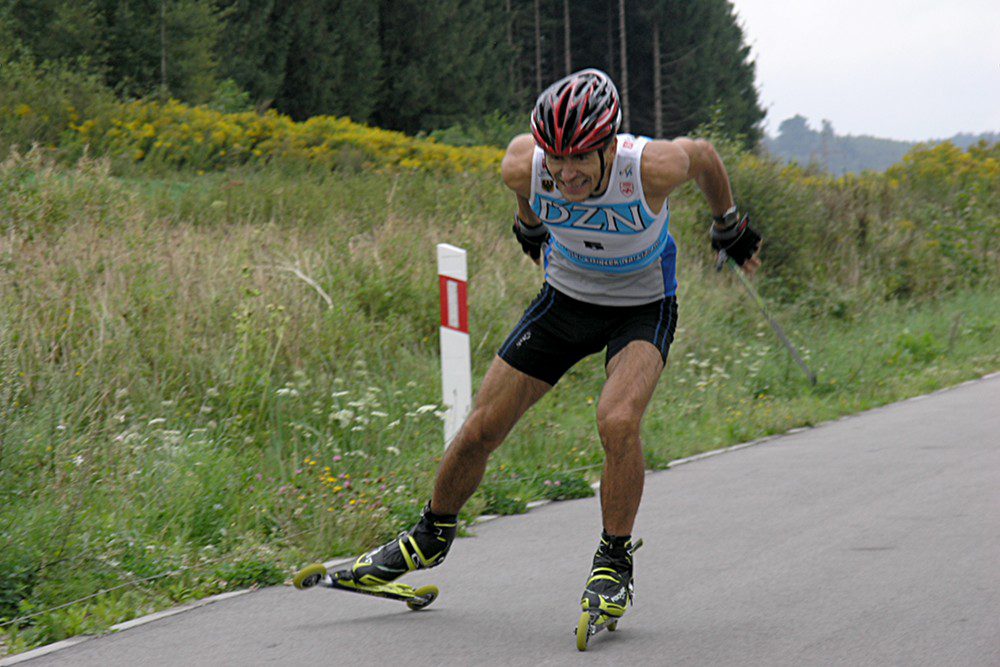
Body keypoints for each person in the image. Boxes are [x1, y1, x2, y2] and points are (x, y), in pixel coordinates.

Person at [344, 69, 761, 621]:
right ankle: (428, 537)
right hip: (565, 300)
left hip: (642, 305)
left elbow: (705, 155)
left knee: (617, 420)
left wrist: (727, 225)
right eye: (556, 159)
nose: (567, 173)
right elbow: (525, 187)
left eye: (581, 159)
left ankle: (614, 563)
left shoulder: (651, 168)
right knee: (480, 429)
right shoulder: (524, 163)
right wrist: (528, 224)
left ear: (609, 147)